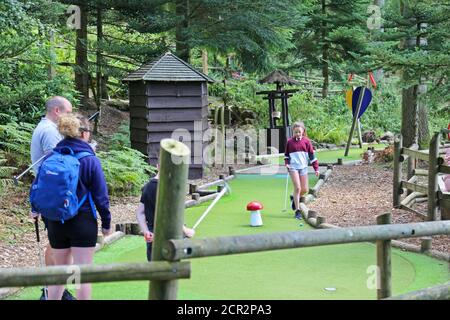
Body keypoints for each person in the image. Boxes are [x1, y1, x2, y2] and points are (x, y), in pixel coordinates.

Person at [43, 113, 112, 300]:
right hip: (82, 222)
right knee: (81, 276)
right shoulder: (90, 160)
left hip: (56, 222)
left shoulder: (51, 156)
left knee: (59, 273)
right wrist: (106, 223)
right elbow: (101, 197)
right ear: (83, 134)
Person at [30, 96, 75, 300]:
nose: (70, 116)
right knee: (59, 242)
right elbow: (59, 166)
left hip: (49, 194)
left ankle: (56, 288)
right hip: (53, 195)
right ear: (57, 111)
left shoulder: (45, 127)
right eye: (68, 111)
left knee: (58, 241)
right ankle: (52, 289)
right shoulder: (49, 131)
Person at [136, 164, 195, 262]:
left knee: (155, 272)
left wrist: (146, 231)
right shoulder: (167, 188)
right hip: (168, 240)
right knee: (168, 273)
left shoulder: (147, 187)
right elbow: (171, 214)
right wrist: (186, 231)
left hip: (152, 238)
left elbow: (140, 212)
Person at [284, 121, 319, 219]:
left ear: (303, 131)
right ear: (293, 132)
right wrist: (287, 164)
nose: (297, 134)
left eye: (299, 132)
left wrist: (316, 168)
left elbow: (312, 156)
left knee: (305, 189)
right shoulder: (289, 142)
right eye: (295, 132)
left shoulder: (307, 141)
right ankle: (297, 210)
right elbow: (286, 156)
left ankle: (294, 197)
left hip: (303, 167)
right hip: (293, 167)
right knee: (298, 188)